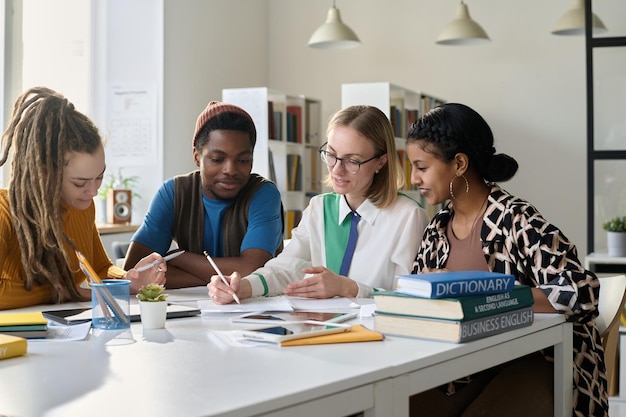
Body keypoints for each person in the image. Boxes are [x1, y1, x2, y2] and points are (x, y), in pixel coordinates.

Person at [406, 103, 608, 417]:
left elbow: (583, 291)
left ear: (459, 163)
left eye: (421, 166)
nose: (413, 178)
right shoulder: (436, 230)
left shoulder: (516, 219)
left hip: (541, 360)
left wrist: (490, 295)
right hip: (467, 365)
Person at [208, 104, 429, 303]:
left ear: (381, 161)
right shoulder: (319, 208)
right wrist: (243, 286)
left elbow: (410, 299)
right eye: (331, 155)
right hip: (324, 333)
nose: (336, 169)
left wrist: (348, 288)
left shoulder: (408, 216)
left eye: (352, 161)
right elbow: (287, 266)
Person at [0, 87, 166, 310]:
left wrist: (129, 280)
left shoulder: (83, 207)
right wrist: (64, 290)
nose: (93, 191)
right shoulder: (4, 213)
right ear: (45, 171)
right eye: (80, 183)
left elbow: (99, 268)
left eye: (99, 177)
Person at [124, 101, 283, 288]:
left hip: (250, 309)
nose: (230, 170)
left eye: (243, 160)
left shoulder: (263, 194)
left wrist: (179, 257)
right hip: (185, 311)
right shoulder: (173, 193)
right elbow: (135, 272)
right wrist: (220, 278)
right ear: (197, 156)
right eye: (217, 159)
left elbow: (251, 269)